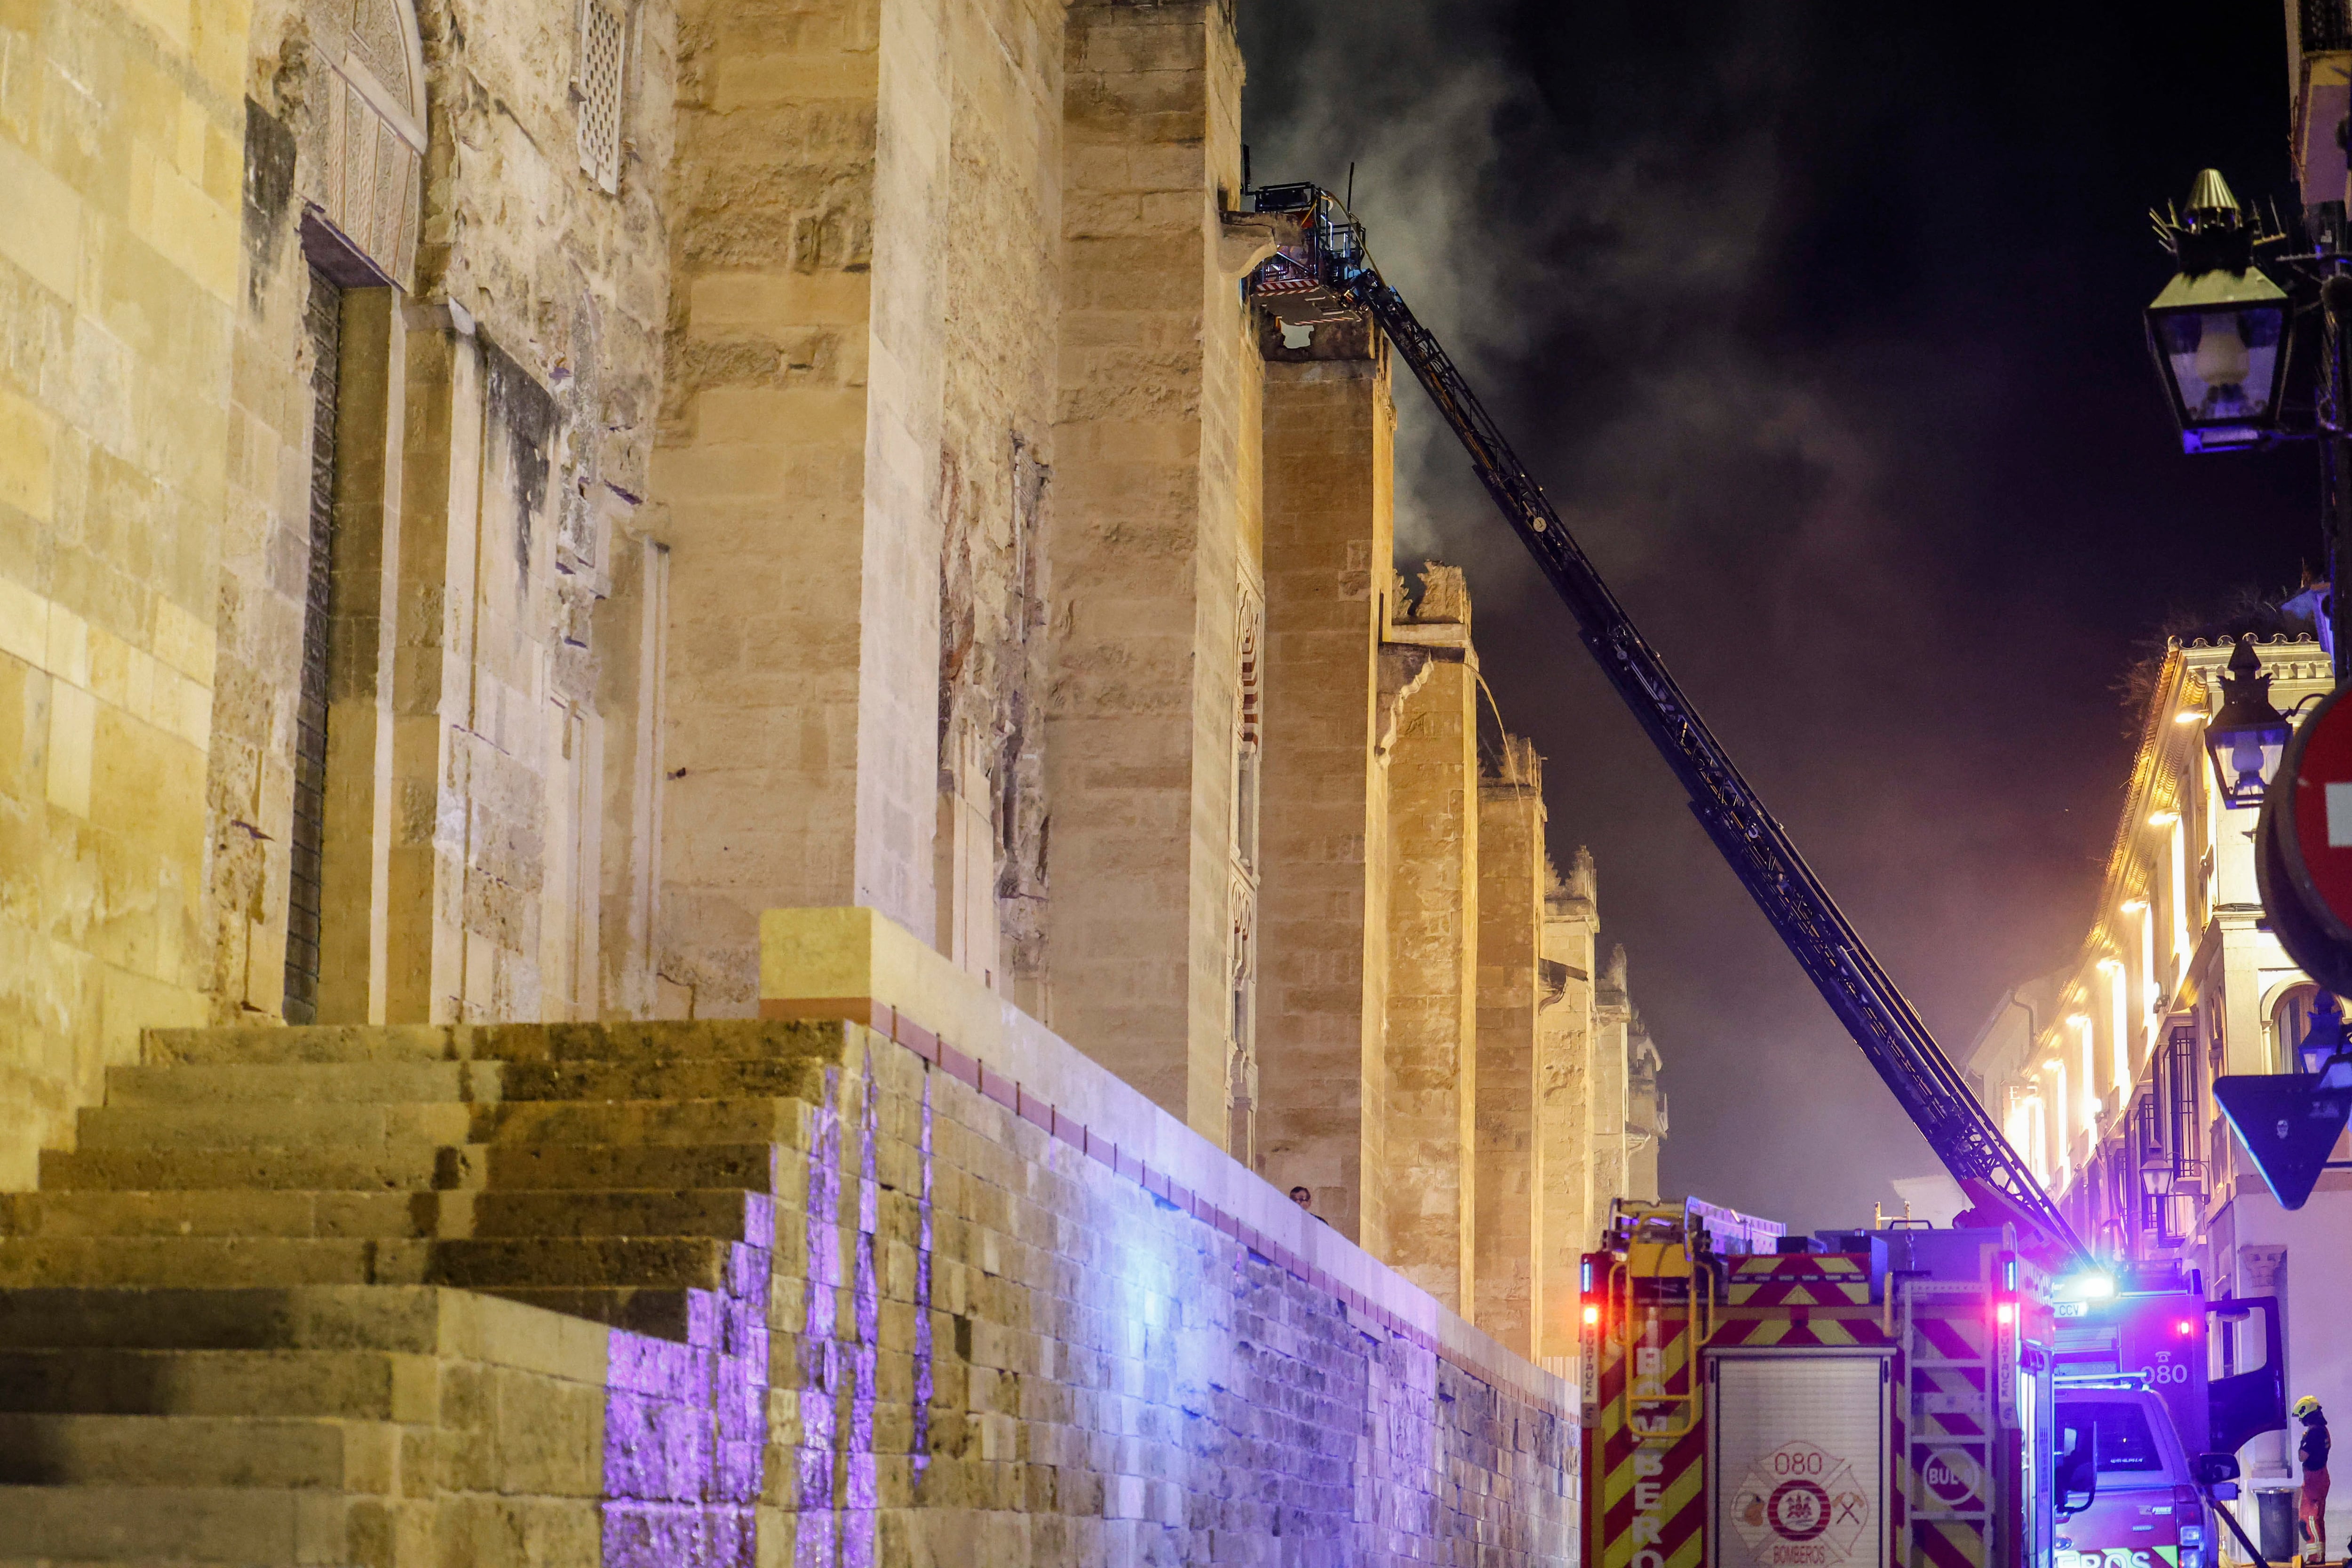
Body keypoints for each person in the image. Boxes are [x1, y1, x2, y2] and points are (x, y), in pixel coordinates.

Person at [2298, 1395, 2331, 1566]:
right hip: (2320, 1477)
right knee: (2315, 1519)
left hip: (2315, 1480)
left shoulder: (2314, 1434)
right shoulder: (2323, 1431)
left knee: (2309, 1519)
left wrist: (2303, 1441)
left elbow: (2302, 1457)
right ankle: (2318, 1556)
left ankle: (2316, 1558)